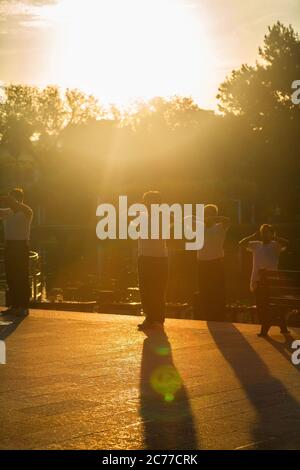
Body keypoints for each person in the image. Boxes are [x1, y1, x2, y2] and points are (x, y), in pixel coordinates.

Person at [239, 224, 289, 337]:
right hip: (258, 280)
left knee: (274, 304)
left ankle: (276, 324)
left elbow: (287, 243)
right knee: (261, 305)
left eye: (267, 232)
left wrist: (274, 237)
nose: (264, 234)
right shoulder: (256, 245)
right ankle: (269, 324)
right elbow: (241, 243)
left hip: (272, 281)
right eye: (263, 232)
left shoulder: (275, 245)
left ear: (272, 233)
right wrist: (252, 236)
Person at [134, 191, 168, 332]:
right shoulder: (141, 216)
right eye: (146, 201)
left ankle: (158, 320)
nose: (147, 204)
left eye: (150, 201)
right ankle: (150, 318)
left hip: (159, 257)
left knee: (158, 289)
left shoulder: (163, 216)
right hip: (145, 256)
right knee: (145, 290)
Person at [0, 188, 33, 316]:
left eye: (12, 198)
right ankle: (14, 305)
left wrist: (10, 201)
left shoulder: (27, 211)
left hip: (21, 245)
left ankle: (24, 306)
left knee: (22, 276)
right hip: (9, 245)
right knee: (11, 276)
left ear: (20, 199)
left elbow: (18, 206)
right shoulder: (7, 212)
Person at [196, 204, 230, 321]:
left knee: (217, 290)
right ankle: (207, 314)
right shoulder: (200, 228)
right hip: (202, 263)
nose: (206, 217)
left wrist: (213, 218)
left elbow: (227, 220)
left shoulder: (220, 226)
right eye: (205, 214)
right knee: (204, 290)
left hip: (216, 262)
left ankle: (219, 315)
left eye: (209, 214)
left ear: (214, 215)